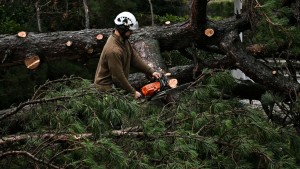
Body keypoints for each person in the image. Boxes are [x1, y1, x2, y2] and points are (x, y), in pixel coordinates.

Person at [94, 11, 161, 99]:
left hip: (115, 87)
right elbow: (118, 77)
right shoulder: (113, 50)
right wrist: (132, 92)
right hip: (106, 91)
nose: (132, 32)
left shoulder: (123, 40)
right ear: (123, 29)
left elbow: (134, 58)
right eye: (130, 30)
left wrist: (150, 71)